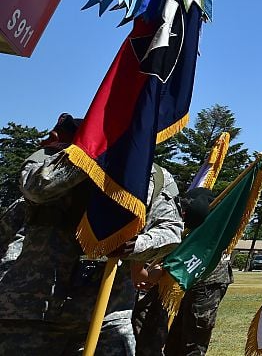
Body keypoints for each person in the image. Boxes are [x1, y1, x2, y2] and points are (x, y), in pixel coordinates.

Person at [0, 113, 183, 355]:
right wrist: (91, 158)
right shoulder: (52, 158)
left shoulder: (155, 177)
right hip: (33, 309)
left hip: (107, 314)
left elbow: (171, 231)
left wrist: (136, 245)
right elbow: (35, 188)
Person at [133, 187, 234, 356]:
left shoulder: (205, 220)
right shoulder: (176, 211)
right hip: (176, 276)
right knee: (169, 338)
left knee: (192, 340)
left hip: (207, 277)